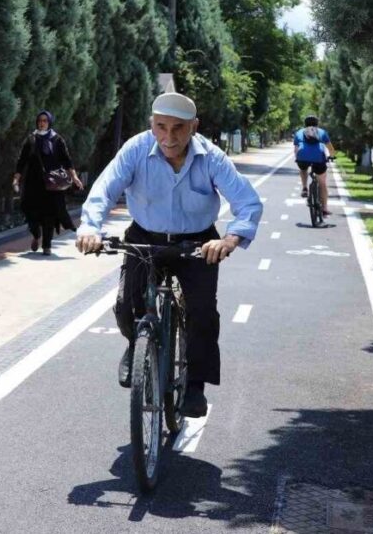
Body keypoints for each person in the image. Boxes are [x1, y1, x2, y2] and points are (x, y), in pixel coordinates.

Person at [75, 92, 263, 418]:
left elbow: (247, 202)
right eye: (161, 127)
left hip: (197, 243)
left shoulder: (213, 158)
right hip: (145, 237)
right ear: (151, 124)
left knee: (202, 313)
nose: (169, 137)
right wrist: (89, 229)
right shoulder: (135, 149)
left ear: (194, 126)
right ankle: (136, 346)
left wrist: (230, 240)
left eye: (179, 128)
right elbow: (104, 189)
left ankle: (194, 386)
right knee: (125, 304)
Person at [13, 111, 84, 255]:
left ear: (49, 122)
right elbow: (22, 161)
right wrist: (16, 178)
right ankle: (36, 235)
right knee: (29, 210)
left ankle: (47, 245)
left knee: (49, 214)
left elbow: (67, 160)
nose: (42, 123)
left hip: (52, 185)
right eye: (40, 120)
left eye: (45, 120)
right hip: (33, 184)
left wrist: (75, 177)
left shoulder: (57, 140)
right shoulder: (31, 139)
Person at [293, 115, 336, 215]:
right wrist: (332, 156)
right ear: (317, 123)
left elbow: (296, 149)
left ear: (305, 124)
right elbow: (330, 149)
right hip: (318, 158)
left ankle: (304, 188)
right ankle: (325, 208)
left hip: (302, 156)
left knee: (303, 169)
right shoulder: (322, 132)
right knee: (322, 183)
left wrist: (298, 158)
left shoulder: (299, 132)